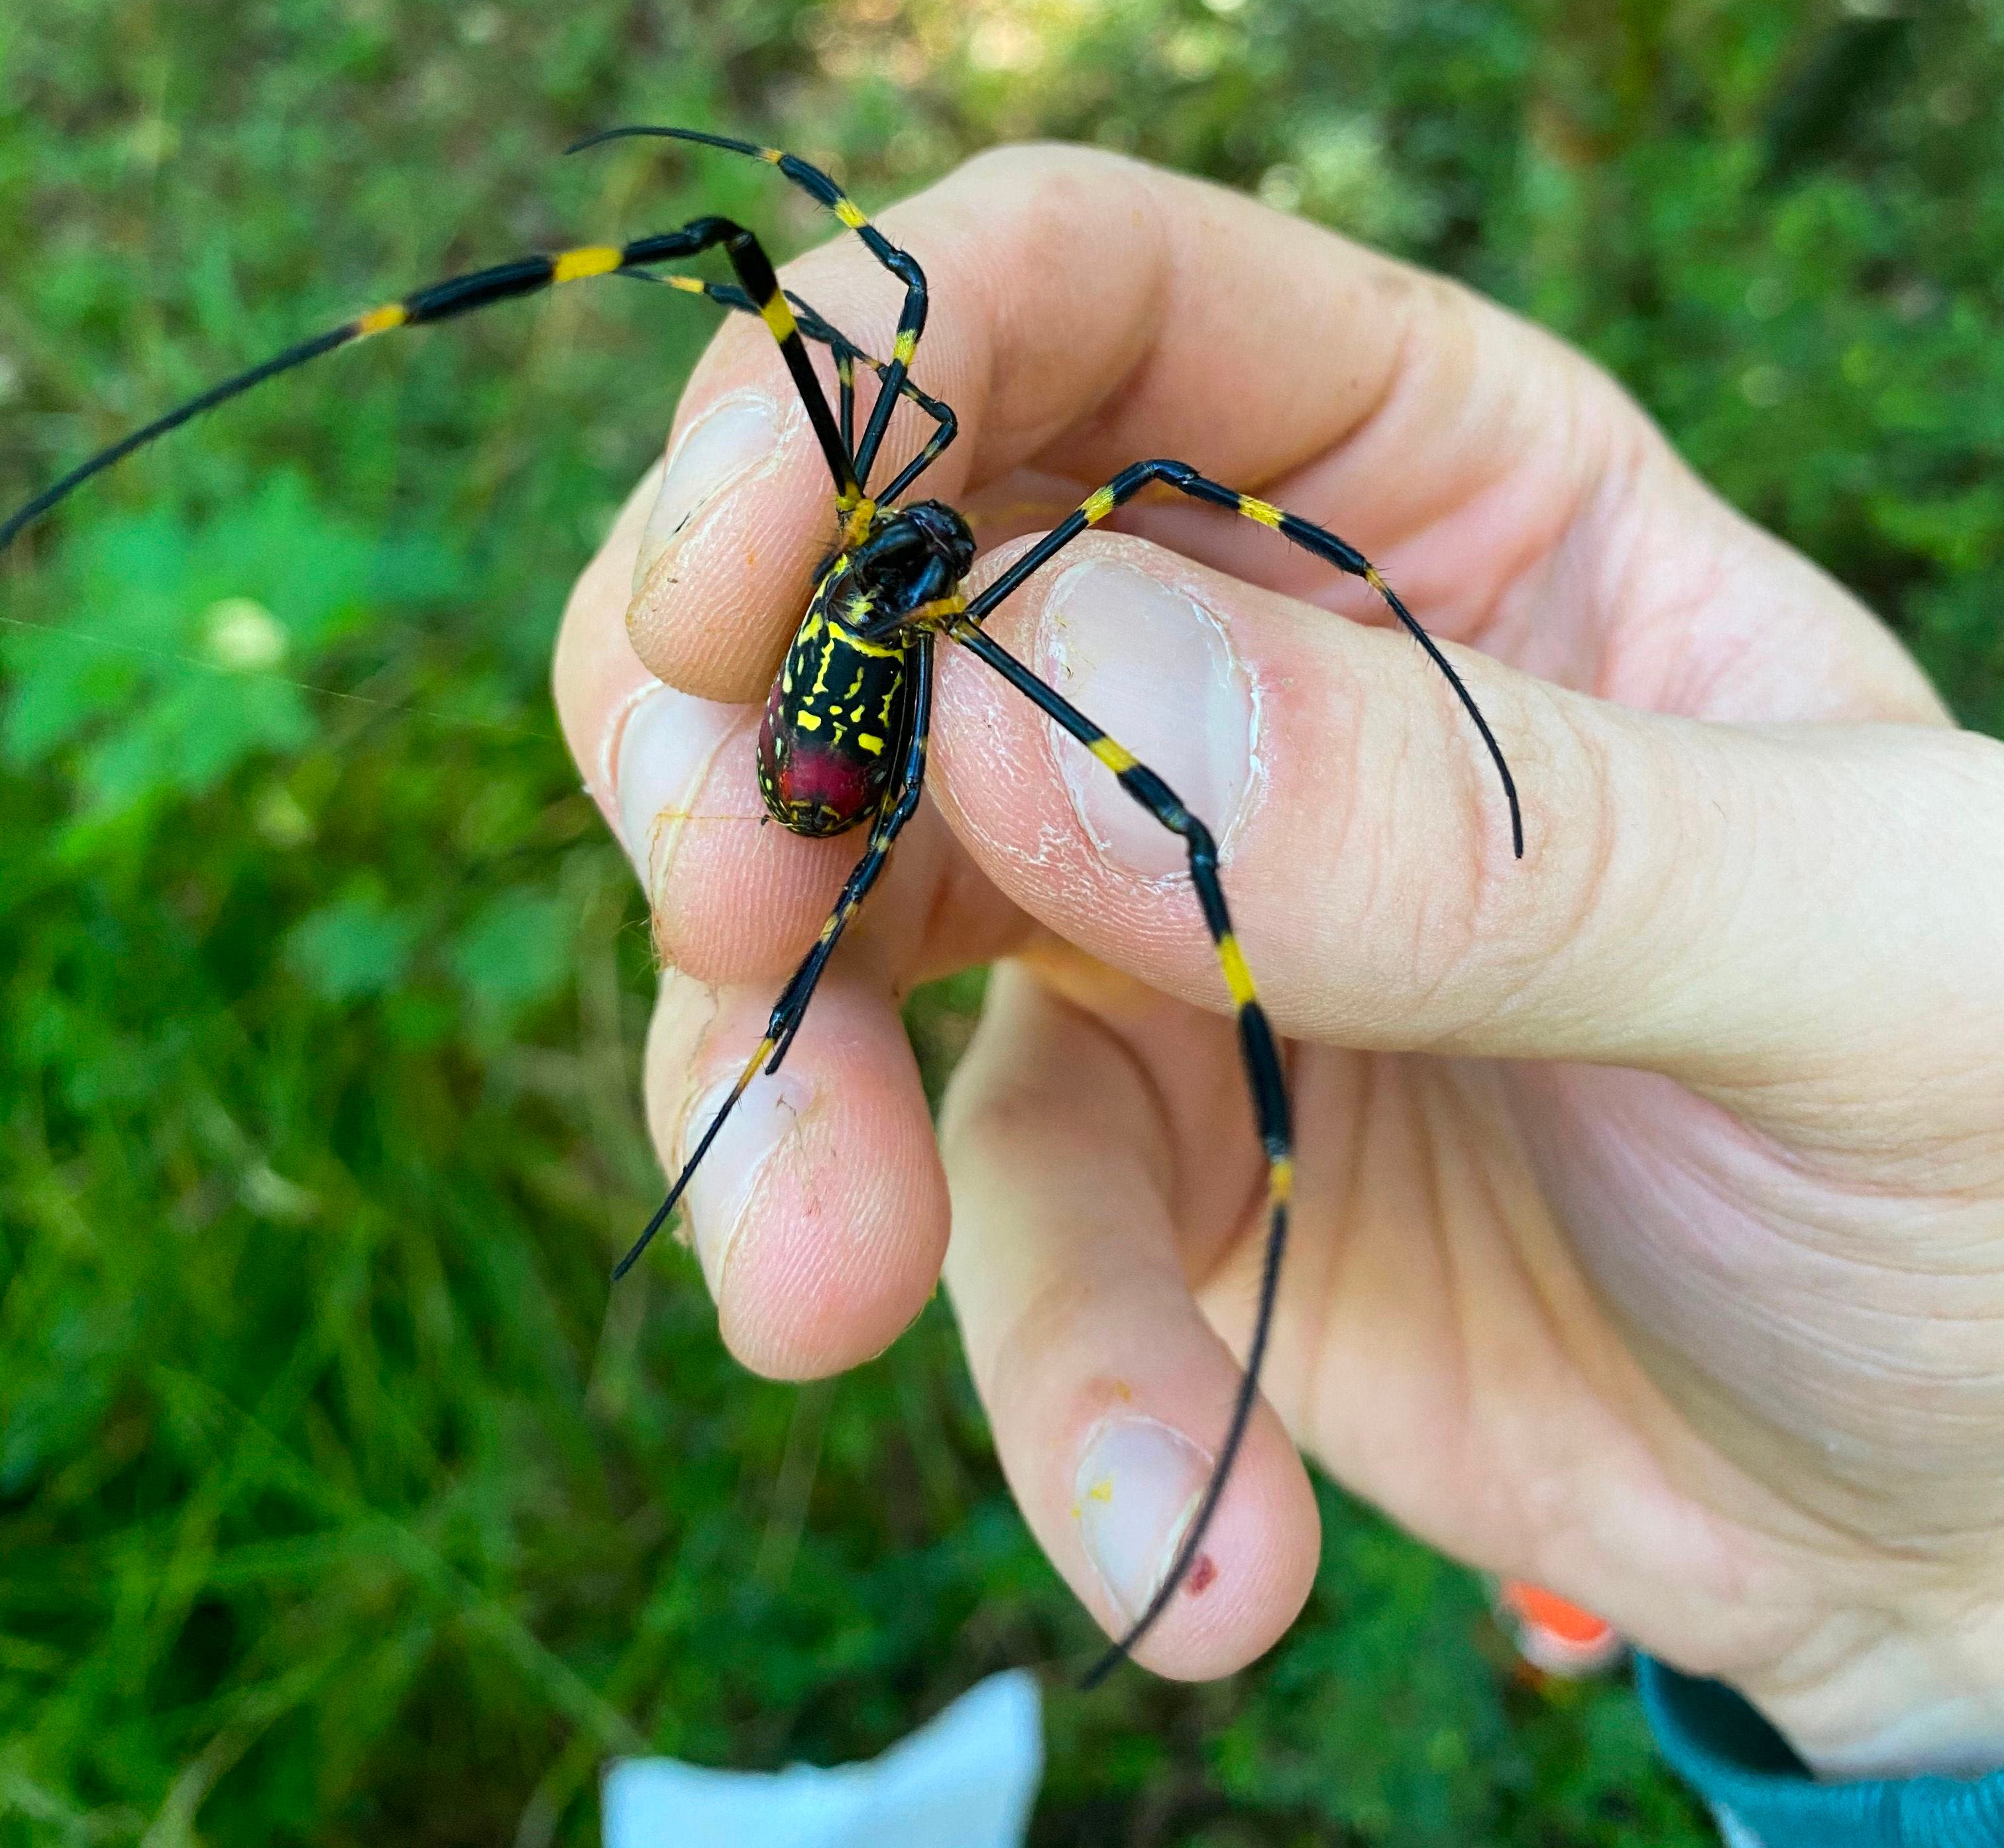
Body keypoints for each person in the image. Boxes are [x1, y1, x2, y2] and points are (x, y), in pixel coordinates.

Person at [553, 144, 2004, 1844]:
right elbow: (833, 291)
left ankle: (774, 1112)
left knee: (1113, 793)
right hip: (822, 772)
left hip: (845, 762)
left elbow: (1172, 780)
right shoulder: (901, 528)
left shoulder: (960, 585)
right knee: (844, 377)